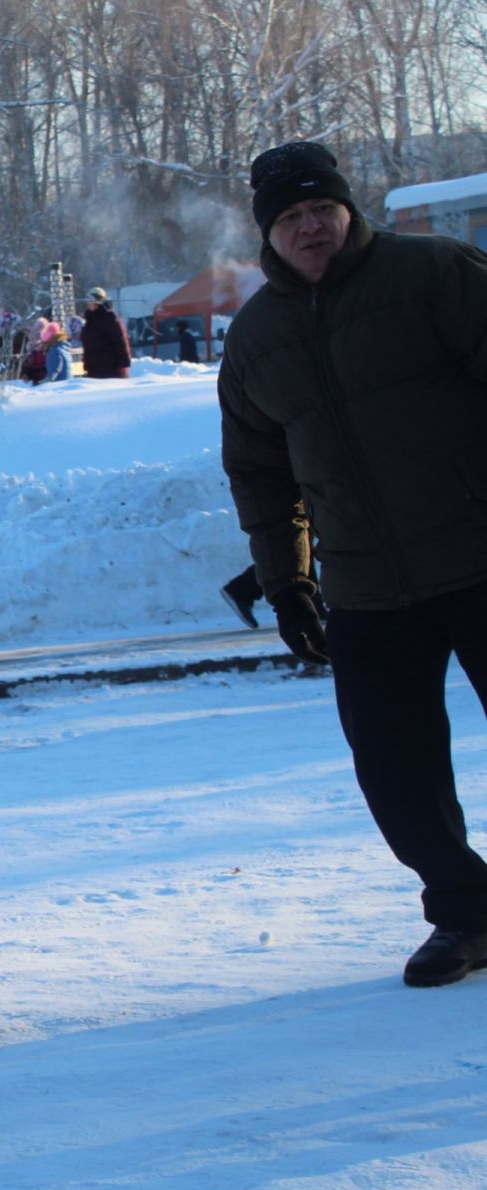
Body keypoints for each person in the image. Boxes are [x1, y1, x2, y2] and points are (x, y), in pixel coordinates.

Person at [218, 138, 487, 988]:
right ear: (269, 233)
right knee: (394, 771)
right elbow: (261, 476)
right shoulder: (256, 339)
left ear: (347, 210)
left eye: (320, 211)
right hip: (368, 586)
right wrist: (288, 580)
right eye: (290, 217)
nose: (310, 228)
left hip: (481, 557)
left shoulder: (435, 274)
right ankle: (467, 913)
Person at [79, 287, 132, 378]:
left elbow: (120, 341)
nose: (89, 303)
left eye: (91, 300)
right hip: (93, 368)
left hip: (110, 367)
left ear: (98, 302)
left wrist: (124, 364)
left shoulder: (109, 318)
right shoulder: (89, 320)